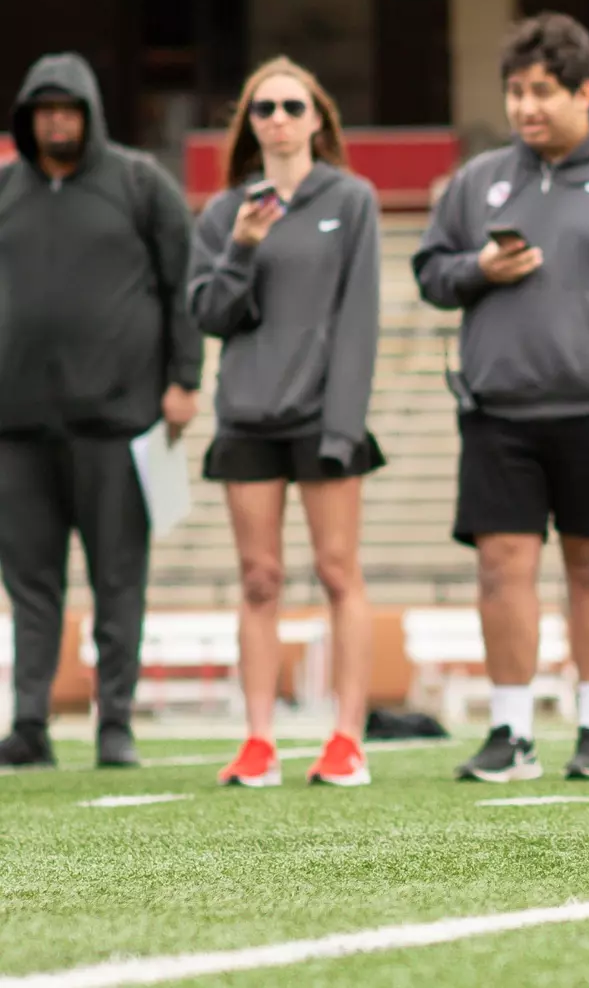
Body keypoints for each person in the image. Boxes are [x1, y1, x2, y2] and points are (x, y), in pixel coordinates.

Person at [413, 12, 589, 785]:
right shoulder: (478, 181)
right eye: (514, 92)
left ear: (586, 92)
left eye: (542, 92)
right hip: (498, 411)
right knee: (502, 569)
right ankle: (511, 733)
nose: (526, 108)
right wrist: (478, 269)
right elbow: (432, 272)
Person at [0, 52, 203, 769]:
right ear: (27, 118)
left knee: (119, 579)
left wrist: (185, 378)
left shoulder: (139, 184)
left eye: (68, 108)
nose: (56, 121)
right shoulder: (5, 190)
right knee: (29, 585)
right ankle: (29, 723)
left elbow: (184, 283)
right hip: (17, 427)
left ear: (89, 113)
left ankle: (113, 722)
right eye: (43, 110)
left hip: (118, 422)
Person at [188, 56, 383, 788]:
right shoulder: (221, 213)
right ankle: (260, 740)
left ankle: (346, 738)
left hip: (323, 420)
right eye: (264, 108)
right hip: (246, 415)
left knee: (337, 572)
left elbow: (358, 322)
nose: (277, 119)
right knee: (259, 578)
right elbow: (210, 316)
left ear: (317, 121)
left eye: (292, 107)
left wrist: (343, 427)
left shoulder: (352, 199)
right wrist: (240, 246)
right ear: (250, 124)